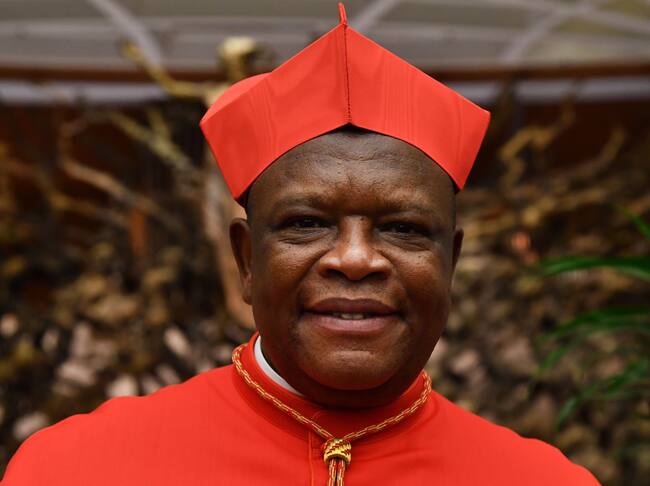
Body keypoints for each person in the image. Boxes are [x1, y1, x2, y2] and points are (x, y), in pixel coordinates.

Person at [2, 4, 599, 485]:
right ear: (245, 259)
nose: (356, 259)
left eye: (403, 229)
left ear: (451, 262)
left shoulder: (541, 480)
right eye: (307, 223)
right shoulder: (76, 468)